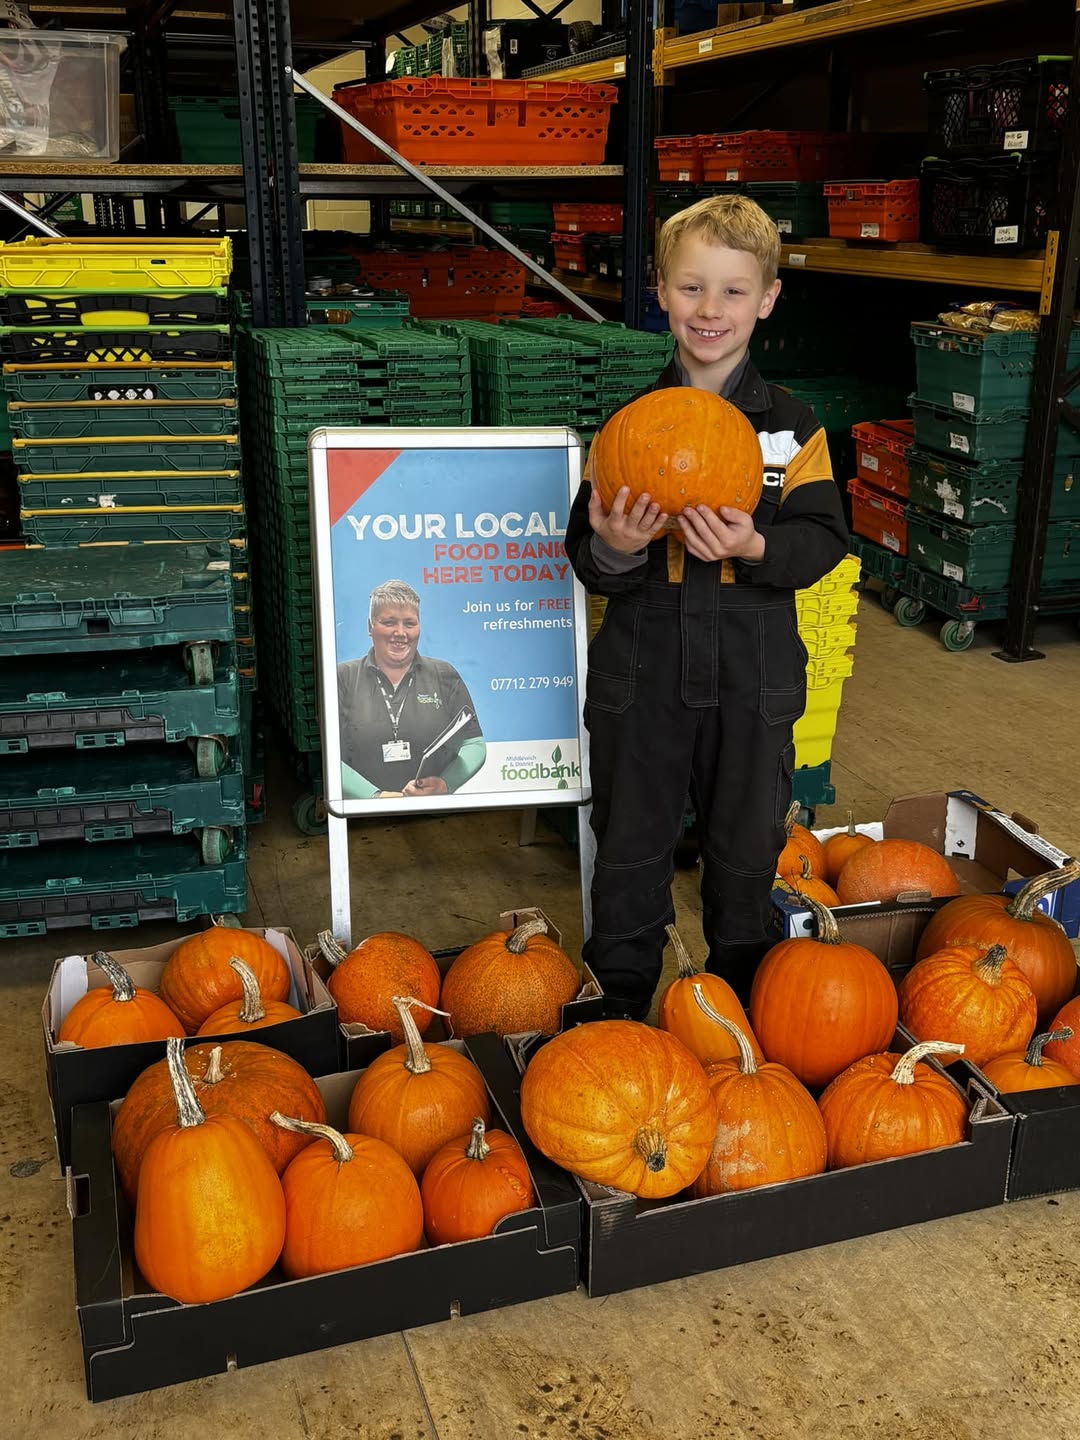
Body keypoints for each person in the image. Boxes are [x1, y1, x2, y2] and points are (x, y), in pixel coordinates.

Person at [565, 194, 848, 1017]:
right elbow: (584, 554)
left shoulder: (792, 430)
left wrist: (756, 546)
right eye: (692, 288)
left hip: (751, 675)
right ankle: (617, 1005)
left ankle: (744, 1010)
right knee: (628, 844)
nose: (710, 310)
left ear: (766, 297)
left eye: (732, 290)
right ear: (659, 290)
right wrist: (617, 545)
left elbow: (825, 537)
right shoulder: (627, 428)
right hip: (641, 670)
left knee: (745, 847)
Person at [337, 579, 486, 800]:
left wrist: (446, 783)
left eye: (409, 623)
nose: (400, 633)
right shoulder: (343, 678)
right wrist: (374, 797)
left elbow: (474, 744)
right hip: (363, 819)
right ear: (370, 626)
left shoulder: (444, 674)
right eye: (389, 622)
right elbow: (328, 756)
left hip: (433, 813)